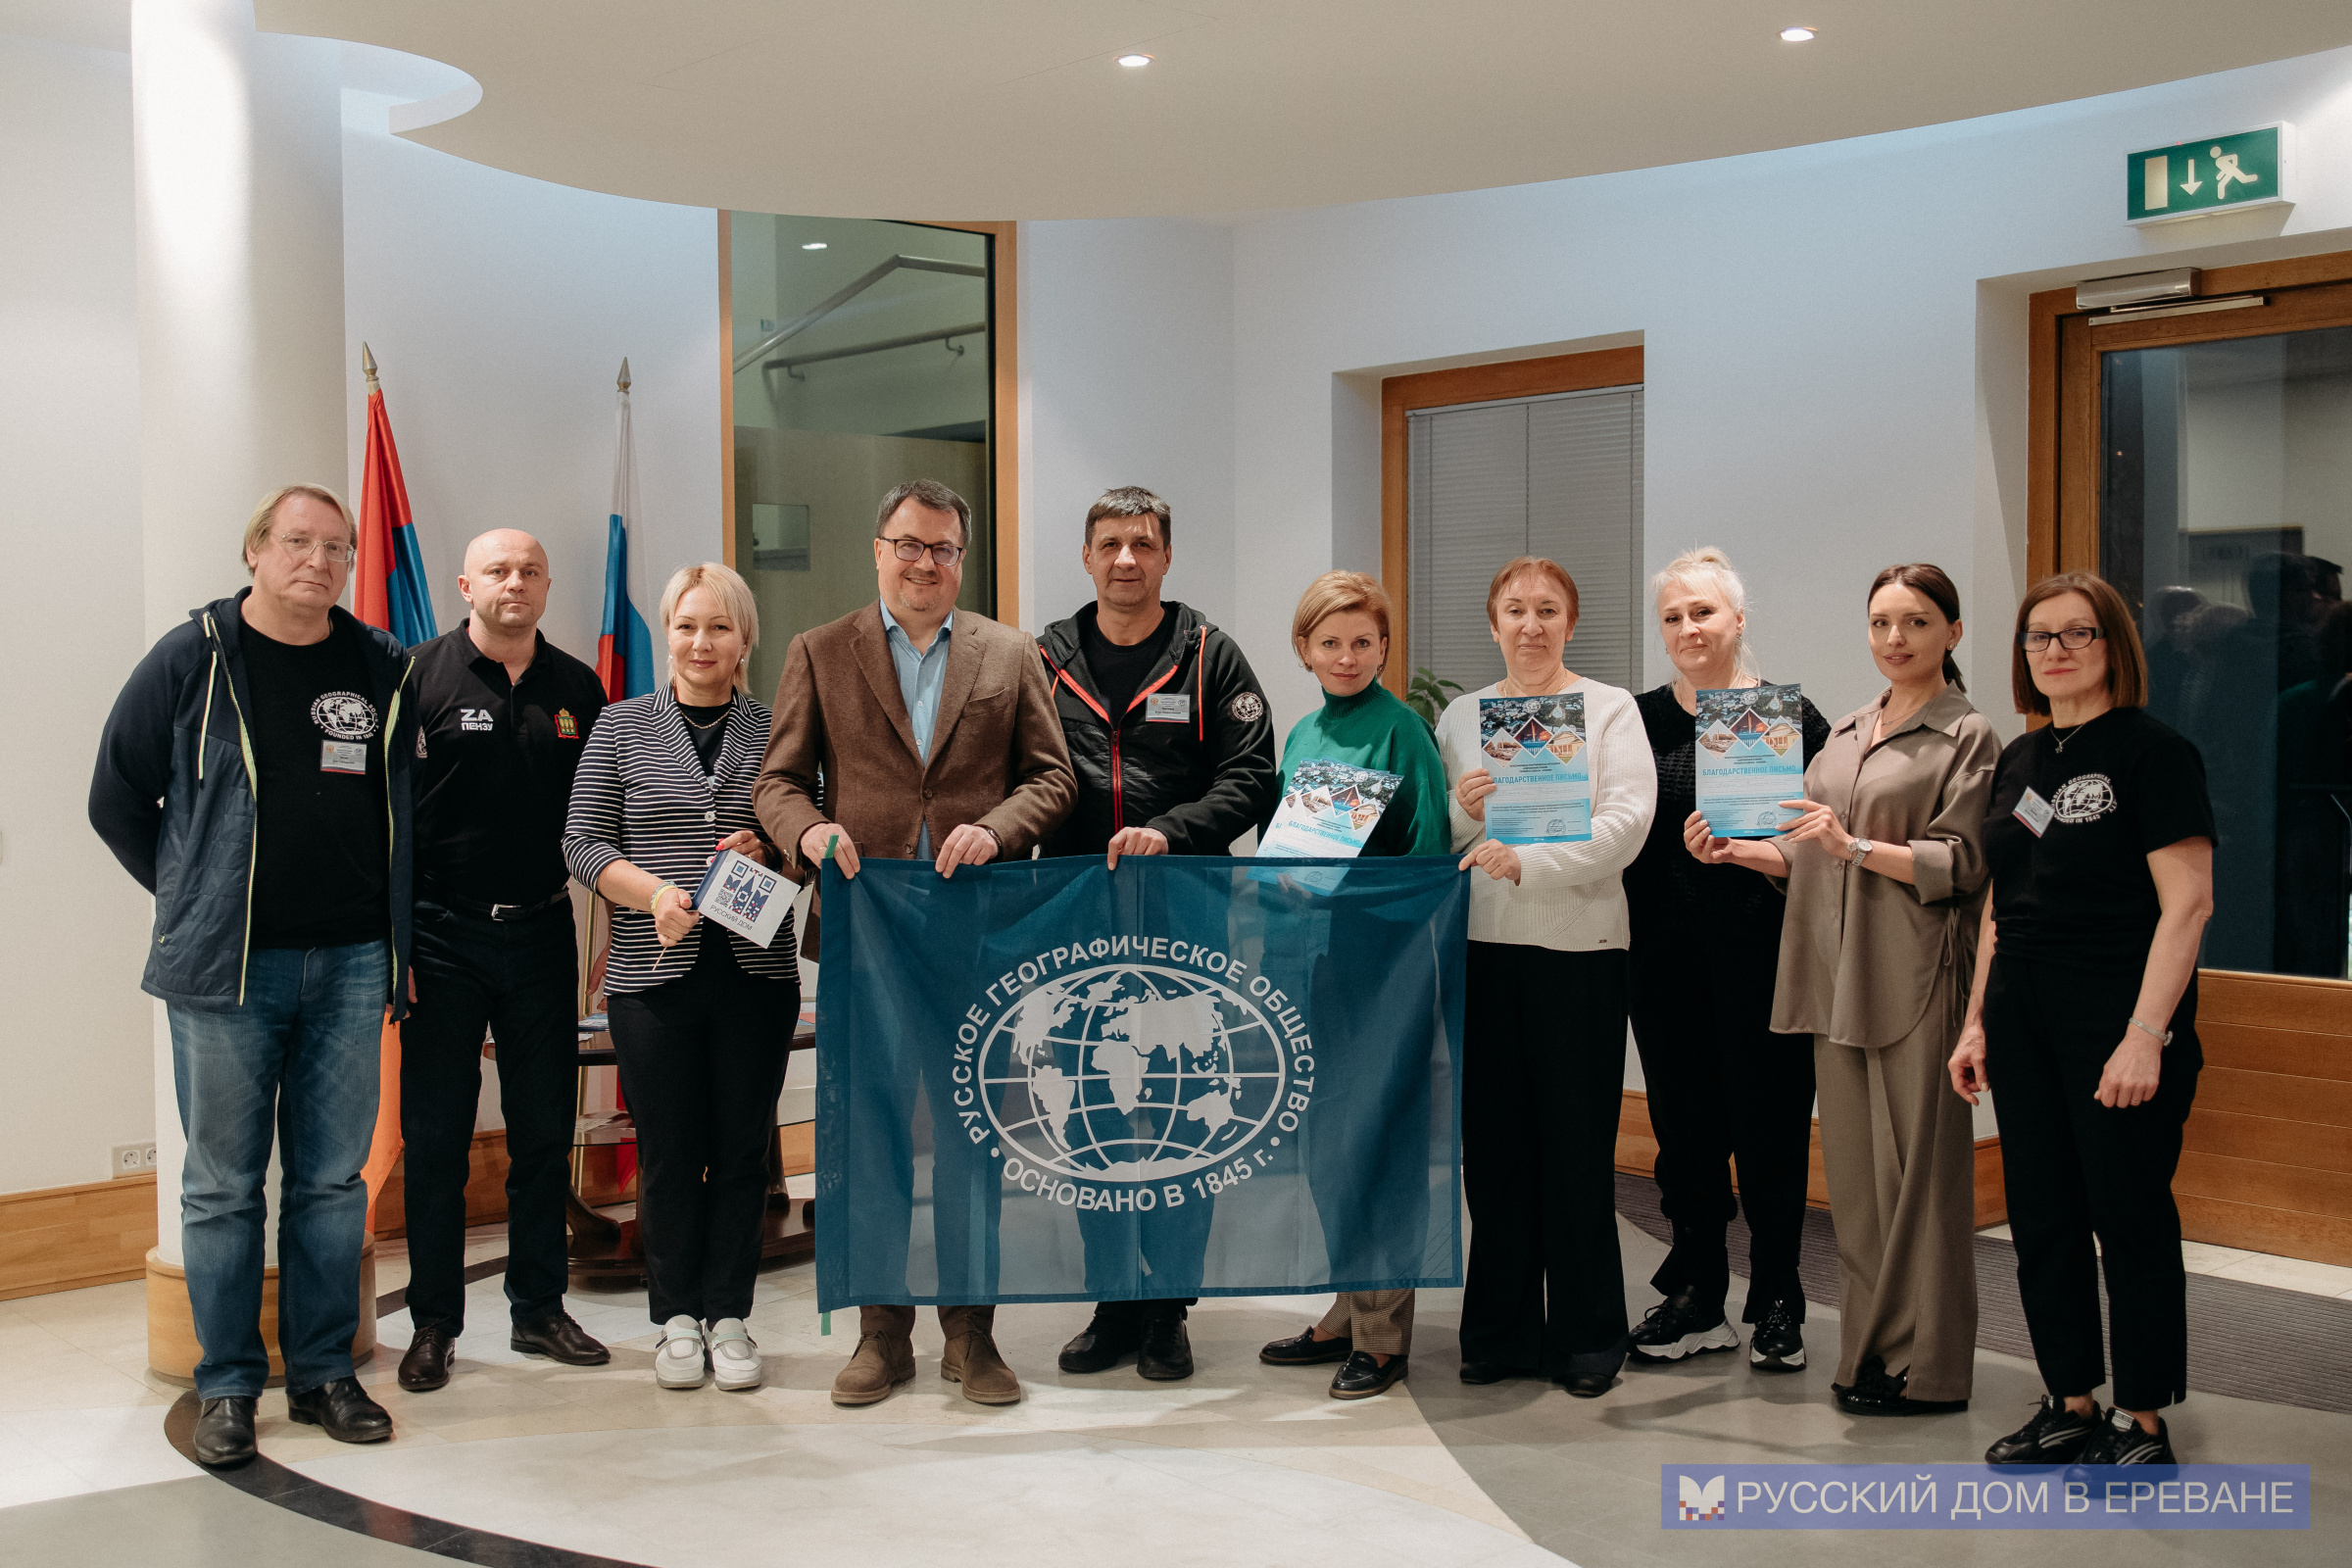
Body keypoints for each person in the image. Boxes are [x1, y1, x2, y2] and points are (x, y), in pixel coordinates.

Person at [89, 484, 416, 1468]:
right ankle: (228, 1383)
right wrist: (193, 897)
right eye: (298, 542)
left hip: (353, 964)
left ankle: (322, 1373)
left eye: (337, 547)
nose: (319, 561)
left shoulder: (380, 664)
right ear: (256, 551)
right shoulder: (192, 656)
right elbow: (115, 796)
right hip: (226, 973)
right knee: (224, 1187)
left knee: (331, 1183)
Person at [756, 478, 1077, 1407]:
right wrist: (810, 831)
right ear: (879, 549)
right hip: (868, 936)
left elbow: (1052, 779)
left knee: (974, 1136)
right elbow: (778, 784)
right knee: (871, 1135)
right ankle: (880, 1333)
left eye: (942, 548)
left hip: (978, 939)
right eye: (908, 544)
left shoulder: (1010, 654)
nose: (924, 563)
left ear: (961, 559)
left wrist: (1000, 829)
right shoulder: (820, 651)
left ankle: (971, 1335)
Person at [1685, 562, 1997, 1416]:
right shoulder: (1851, 729)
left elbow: (1963, 863)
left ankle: (1929, 1371)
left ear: (1952, 633)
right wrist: (1740, 851)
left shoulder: (1967, 734)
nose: (1896, 638)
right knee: (1857, 1191)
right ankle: (1868, 1354)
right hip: (1833, 977)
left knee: (1920, 1188)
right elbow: (1809, 852)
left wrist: (1852, 846)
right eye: (1882, 622)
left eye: (1917, 622)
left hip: (1914, 977)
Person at [1955, 571, 2215, 1466]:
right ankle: (2069, 1399)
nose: (2055, 651)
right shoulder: (2022, 761)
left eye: (2077, 634)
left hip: (2115, 1011)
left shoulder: (2155, 753)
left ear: (2114, 646)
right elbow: (2000, 902)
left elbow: (2188, 906)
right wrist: (1977, 1023)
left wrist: (2145, 1036)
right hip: (2021, 1010)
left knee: (2127, 1215)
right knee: (2042, 1216)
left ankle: (2142, 1419)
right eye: (2039, 636)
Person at [1037, 485, 1279, 1382]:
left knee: (1182, 1111)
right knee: (1091, 1112)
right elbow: (1017, 771)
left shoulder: (1211, 655)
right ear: (1087, 556)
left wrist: (1170, 831)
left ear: (1168, 556)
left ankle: (1169, 1306)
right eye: (1110, 544)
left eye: (1143, 544)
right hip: (1077, 923)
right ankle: (1113, 1303)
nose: (1126, 560)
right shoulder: (1044, 658)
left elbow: (1253, 776)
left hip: (1185, 921)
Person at [563, 564, 798, 1395]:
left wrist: (769, 848)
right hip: (651, 976)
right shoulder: (620, 725)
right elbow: (583, 842)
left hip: (755, 973)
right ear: (668, 632)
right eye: (688, 625)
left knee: (740, 1153)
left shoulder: (778, 727)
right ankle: (674, 1320)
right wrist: (655, 895)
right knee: (667, 1153)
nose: (702, 642)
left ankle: (728, 1315)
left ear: (745, 639)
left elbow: (808, 838)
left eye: (720, 627)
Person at [1438, 557, 1657, 1396]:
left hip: (1581, 951)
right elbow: (1446, 837)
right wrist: (1465, 807)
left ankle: (1587, 1340)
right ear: (1492, 623)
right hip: (1485, 950)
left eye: (1548, 610)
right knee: (1493, 1152)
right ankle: (1500, 1335)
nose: (1531, 625)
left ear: (1572, 621)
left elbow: (1626, 825)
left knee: (1575, 1148)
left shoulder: (1609, 709)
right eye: (1515, 610)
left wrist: (1534, 863)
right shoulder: (1462, 715)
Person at [397, 530, 611, 1393]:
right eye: (497, 570)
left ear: (548, 586)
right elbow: (388, 820)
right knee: (437, 1142)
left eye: (529, 571)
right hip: (440, 938)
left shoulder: (579, 689)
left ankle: (539, 1310)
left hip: (543, 933)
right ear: (465, 584)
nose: (513, 583)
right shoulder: (416, 677)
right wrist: (397, 946)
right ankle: (434, 1324)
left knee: (541, 1137)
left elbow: (604, 815)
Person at [1621, 548, 1827, 1375]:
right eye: (1673, 616)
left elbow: (1818, 842)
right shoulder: (1634, 721)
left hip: (1763, 958)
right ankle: (1698, 1293)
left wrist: (1751, 852)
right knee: (1685, 1137)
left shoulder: (1789, 717)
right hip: (1662, 961)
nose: (1688, 628)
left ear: (1737, 620)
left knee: (1771, 1133)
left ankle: (1777, 1298)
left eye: (1703, 612)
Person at [1254, 570, 1449, 1399]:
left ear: (1384, 648)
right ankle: (1344, 1308)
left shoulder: (1404, 732)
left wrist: (1351, 887)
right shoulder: (1303, 734)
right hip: (1309, 964)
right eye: (1329, 642)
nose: (1346, 656)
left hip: (1381, 969)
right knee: (1326, 1145)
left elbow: (1430, 857)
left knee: (1379, 1144)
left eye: (1362, 642)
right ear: (1304, 649)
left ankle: (1383, 1333)